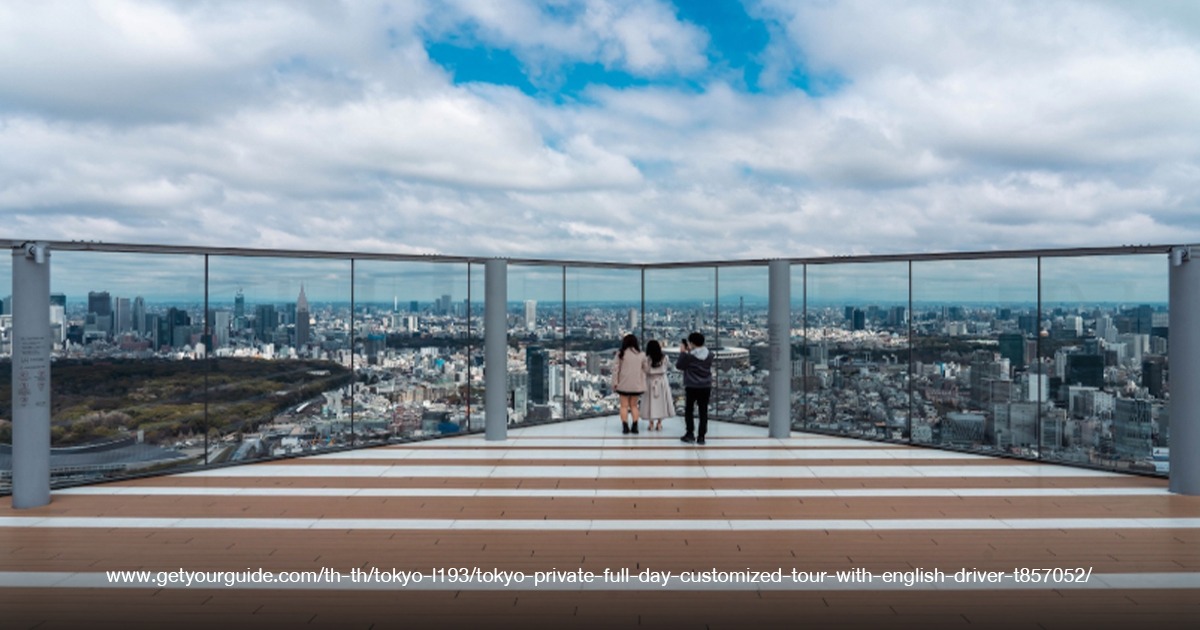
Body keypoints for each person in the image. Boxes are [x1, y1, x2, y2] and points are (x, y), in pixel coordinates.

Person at [676, 332, 713, 445]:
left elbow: (679, 366)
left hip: (692, 385)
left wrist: (683, 352)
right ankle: (701, 436)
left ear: (691, 343)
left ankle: (690, 433)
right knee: (703, 411)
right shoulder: (710, 355)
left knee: (689, 410)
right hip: (706, 386)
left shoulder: (689, 356)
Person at [611, 333, 646, 434]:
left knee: (624, 406)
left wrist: (615, 382)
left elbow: (615, 370)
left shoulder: (621, 354)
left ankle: (625, 426)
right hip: (636, 385)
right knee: (634, 406)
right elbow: (646, 368)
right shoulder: (641, 355)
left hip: (623, 384)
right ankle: (635, 426)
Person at [640, 339, 673, 431]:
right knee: (661, 403)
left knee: (649, 403)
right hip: (662, 382)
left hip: (650, 381)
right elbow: (668, 366)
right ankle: (659, 423)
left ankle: (651, 424)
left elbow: (644, 370)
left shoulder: (646, 359)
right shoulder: (665, 358)